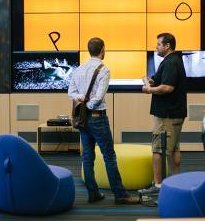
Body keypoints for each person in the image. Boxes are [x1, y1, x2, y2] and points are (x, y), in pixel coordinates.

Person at [68, 37, 140, 204]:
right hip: (97, 118)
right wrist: (89, 103)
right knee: (109, 156)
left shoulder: (78, 69)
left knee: (87, 156)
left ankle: (93, 193)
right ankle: (120, 195)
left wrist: (81, 100)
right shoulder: (104, 69)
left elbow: (71, 93)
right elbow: (98, 98)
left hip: (82, 119)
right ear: (102, 50)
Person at [140, 33, 187, 195]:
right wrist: (152, 81)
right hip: (174, 112)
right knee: (173, 149)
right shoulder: (172, 61)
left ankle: (158, 185)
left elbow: (167, 88)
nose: (156, 47)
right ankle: (176, 183)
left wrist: (148, 89)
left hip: (167, 115)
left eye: (158, 44)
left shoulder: (171, 62)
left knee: (158, 149)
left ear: (167, 46)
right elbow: (163, 81)